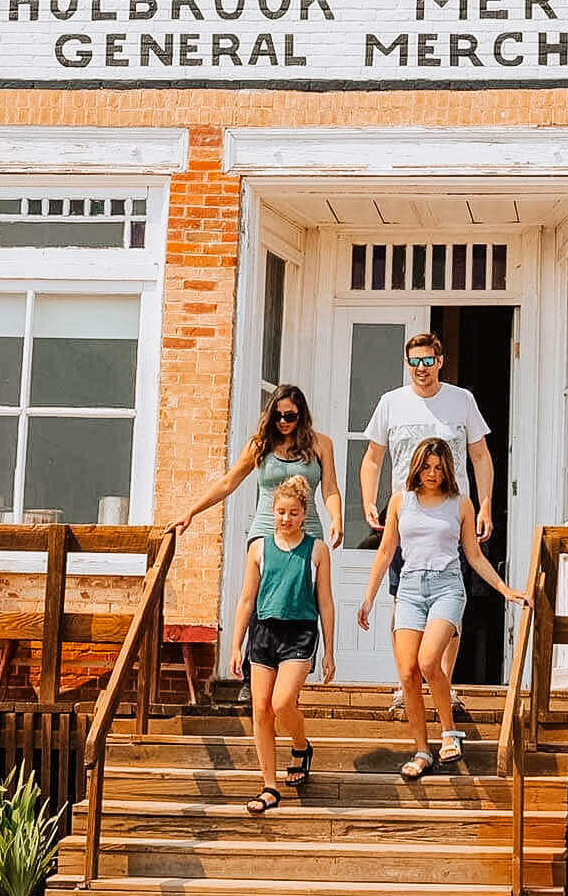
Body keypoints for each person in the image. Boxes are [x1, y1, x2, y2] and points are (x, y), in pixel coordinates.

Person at [356, 438, 526, 778]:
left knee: (428, 660)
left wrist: (505, 589)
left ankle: (449, 733)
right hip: (409, 589)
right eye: (427, 466)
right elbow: (386, 550)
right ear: (416, 467)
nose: (432, 473)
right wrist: (369, 596)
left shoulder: (461, 504)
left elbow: (474, 556)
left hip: (447, 587)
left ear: (447, 470)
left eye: (438, 467)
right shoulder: (401, 501)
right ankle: (421, 751)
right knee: (407, 673)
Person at [357, 333, 493, 712]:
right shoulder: (392, 403)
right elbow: (373, 457)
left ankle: (444, 684)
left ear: (440, 361)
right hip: (407, 518)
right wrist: (369, 500)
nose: (421, 368)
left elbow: (480, 456)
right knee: (404, 599)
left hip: (452, 518)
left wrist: (484, 505)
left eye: (427, 360)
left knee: (451, 604)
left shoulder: (461, 401)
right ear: (407, 364)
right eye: (414, 361)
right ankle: (407, 684)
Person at [228, 475, 336, 814]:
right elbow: (246, 599)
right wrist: (235, 645)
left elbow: (326, 603)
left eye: (292, 513)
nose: (285, 519)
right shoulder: (259, 547)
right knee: (260, 709)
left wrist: (330, 651)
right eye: (280, 512)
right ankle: (269, 786)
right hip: (263, 632)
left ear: (304, 514)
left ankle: (301, 746)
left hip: (300, 633)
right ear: (271, 512)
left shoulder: (316, 550)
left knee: (282, 702)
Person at [174, 384, 342, 550]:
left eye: (290, 416)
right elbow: (228, 483)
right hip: (266, 531)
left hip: (307, 530)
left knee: (307, 577)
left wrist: (336, 518)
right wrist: (191, 512)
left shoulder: (321, 444)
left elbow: (330, 488)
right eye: (277, 416)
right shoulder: (260, 444)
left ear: (301, 415)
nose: (283, 421)